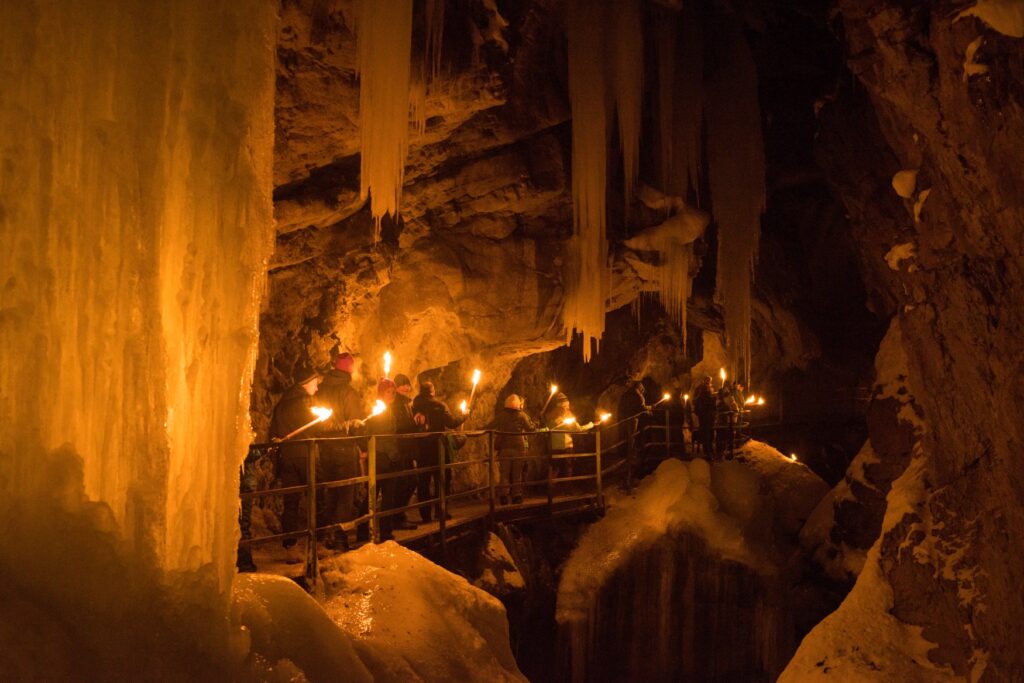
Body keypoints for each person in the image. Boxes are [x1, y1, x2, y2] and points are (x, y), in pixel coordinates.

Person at [268, 364, 323, 561]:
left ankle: (290, 544)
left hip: (287, 457)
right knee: (317, 494)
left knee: (291, 501)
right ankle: (317, 539)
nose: (317, 387)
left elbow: (274, 431)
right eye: (315, 383)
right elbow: (317, 427)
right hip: (304, 456)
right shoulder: (303, 402)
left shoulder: (282, 404)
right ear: (307, 383)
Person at [316, 352, 365, 550]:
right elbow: (356, 424)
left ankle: (327, 534)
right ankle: (339, 537)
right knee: (345, 493)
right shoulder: (348, 392)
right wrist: (363, 446)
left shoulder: (321, 390)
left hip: (324, 449)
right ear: (349, 369)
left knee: (331, 493)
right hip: (344, 448)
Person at [412, 380, 466, 523]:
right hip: (438, 448)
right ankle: (441, 511)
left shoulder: (413, 406)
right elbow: (452, 422)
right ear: (433, 391)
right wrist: (464, 415)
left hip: (422, 449)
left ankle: (425, 516)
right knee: (442, 481)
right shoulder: (440, 405)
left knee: (423, 482)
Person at [363, 378, 403, 540]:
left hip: (389, 457)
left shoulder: (389, 409)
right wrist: (390, 452)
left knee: (388, 496)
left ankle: (385, 531)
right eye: (388, 391)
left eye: (393, 391)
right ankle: (365, 531)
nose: (392, 394)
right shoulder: (377, 410)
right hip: (381, 457)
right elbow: (377, 435)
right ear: (381, 392)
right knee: (372, 495)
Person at [493, 394, 535, 505]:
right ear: (517, 404)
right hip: (519, 448)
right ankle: (517, 496)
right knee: (517, 473)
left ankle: (504, 496)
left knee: (504, 473)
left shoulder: (501, 416)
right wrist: (536, 424)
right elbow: (531, 429)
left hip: (504, 448)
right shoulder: (522, 415)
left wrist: (477, 430)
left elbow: (490, 425)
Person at [543, 393, 593, 484]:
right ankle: (565, 489)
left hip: (554, 446)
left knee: (555, 468)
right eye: (566, 405)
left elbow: (546, 428)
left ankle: (551, 489)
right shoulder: (568, 415)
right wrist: (590, 425)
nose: (567, 407)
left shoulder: (550, 415)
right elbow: (578, 429)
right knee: (567, 468)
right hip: (566, 446)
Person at [391, 374, 419, 530]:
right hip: (400, 449)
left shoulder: (407, 404)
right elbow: (400, 426)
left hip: (406, 449)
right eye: (403, 385)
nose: (407, 388)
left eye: (408, 384)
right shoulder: (396, 404)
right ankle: (396, 517)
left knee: (410, 481)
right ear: (396, 387)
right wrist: (414, 426)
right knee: (404, 482)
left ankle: (399, 515)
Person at [617, 380, 651, 463]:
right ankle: (630, 456)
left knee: (626, 436)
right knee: (632, 437)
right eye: (642, 388)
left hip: (624, 418)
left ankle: (625, 454)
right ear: (639, 387)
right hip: (633, 418)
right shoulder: (637, 395)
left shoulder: (627, 394)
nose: (643, 389)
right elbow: (640, 407)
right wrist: (648, 409)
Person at [692, 376, 717, 459]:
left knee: (709, 431)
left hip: (707, 413)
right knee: (706, 431)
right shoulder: (701, 389)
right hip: (704, 413)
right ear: (704, 381)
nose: (709, 382)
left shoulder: (709, 389)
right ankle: (707, 450)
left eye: (710, 381)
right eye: (708, 380)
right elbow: (701, 400)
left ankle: (709, 449)